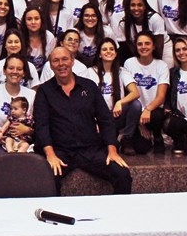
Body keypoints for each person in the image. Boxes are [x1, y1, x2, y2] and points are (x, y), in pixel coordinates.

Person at [33, 47, 132, 195]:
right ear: (51, 65)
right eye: (56, 60)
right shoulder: (44, 91)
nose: (61, 64)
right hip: (61, 151)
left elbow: (105, 120)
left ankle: (117, 214)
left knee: (122, 174)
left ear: (72, 61)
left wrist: (112, 150)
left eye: (65, 59)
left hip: (91, 149)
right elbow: (42, 126)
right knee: (47, 179)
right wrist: (50, 155)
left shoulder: (89, 86)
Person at [89, 38, 141, 153]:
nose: (108, 51)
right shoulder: (90, 72)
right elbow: (87, 100)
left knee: (136, 105)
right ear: (99, 55)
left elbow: (135, 92)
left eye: (111, 49)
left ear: (116, 53)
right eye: (104, 49)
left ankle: (126, 139)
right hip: (99, 119)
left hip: (116, 115)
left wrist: (120, 102)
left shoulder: (122, 71)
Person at [122, 31, 169, 154]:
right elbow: (132, 94)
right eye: (140, 44)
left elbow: (161, 97)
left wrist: (148, 109)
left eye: (147, 43)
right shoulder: (129, 63)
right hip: (136, 112)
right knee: (142, 148)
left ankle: (158, 136)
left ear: (153, 46)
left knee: (157, 115)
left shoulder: (161, 65)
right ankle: (132, 136)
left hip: (153, 111)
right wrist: (139, 122)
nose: (143, 47)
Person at [115, 0, 166, 64]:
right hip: (142, 49)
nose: (136, 8)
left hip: (162, 47)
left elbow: (159, 46)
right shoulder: (124, 22)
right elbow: (129, 46)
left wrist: (155, 64)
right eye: (133, 5)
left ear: (145, 6)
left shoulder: (155, 18)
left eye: (139, 5)